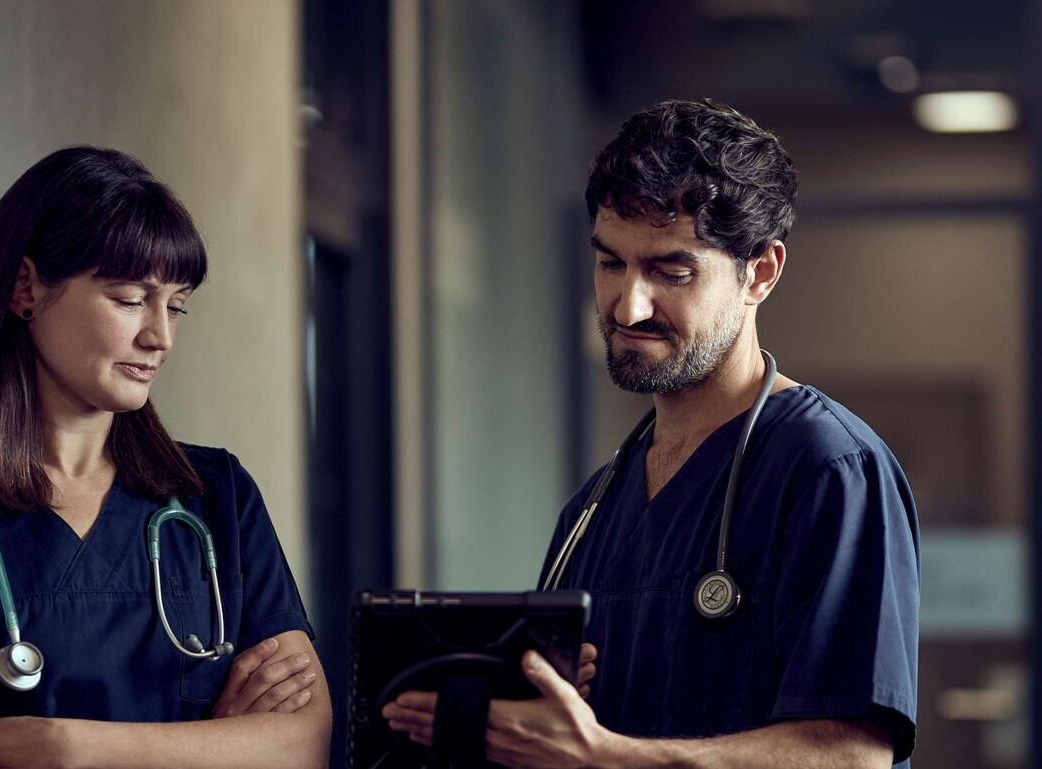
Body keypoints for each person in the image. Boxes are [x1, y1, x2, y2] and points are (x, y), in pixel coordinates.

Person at [385, 99, 920, 768]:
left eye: (671, 271)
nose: (628, 305)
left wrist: (603, 755)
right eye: (611, 264)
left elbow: (852, 752)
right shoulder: (593, 509)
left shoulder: (829, 468)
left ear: (761, 273)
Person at [0, 146, 330, 768]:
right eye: (130, 299)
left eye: (176, 305)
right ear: (27, 288)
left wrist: (67, 746)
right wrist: (214, 745)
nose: (159, 336)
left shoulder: (219, 497)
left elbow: (303, 746)